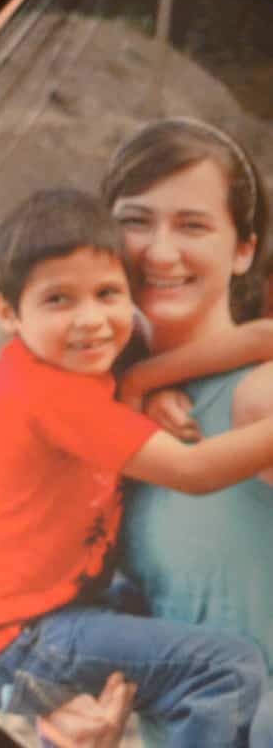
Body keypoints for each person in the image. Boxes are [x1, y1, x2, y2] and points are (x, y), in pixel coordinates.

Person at [0, 187, 273, 745]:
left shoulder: (96, 346)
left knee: (152, 609)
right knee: (224, 670)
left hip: (14, 620)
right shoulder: (49, 393)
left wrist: (142, 381)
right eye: (58, 300)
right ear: (6, 312)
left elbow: (260, 336)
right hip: (15, 641)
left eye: (107, 293)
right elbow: (197, 471)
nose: (90, 319)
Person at [112, 121, 273, 670]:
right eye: (135, 221)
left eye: (192, 226)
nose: (160, 252)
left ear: (244, 250)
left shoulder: (259, 396)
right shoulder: (98, 402)